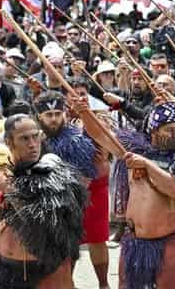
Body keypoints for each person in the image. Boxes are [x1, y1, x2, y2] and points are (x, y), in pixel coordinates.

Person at [0, 114, 87, 288]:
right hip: (5, 273)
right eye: (24, 139)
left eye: (35, 136)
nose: (32, 144)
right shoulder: (8, 172)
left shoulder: (53, 174)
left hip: (45, 275)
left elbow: (45, 224)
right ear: (9, 142)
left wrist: (8, 190)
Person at [115, 101, 175, 289]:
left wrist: (147, 165)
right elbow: (103, 137)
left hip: (170, 241)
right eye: (169, 129)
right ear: (154, 132)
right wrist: (84, 112)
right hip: (134, 239)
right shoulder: (137, 152)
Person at [34, 91, 110, 289]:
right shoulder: (34, 141)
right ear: (39, 117)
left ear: (65, 114)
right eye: (48, 115)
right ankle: (68, 283)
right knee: (66, 244)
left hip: (91, 193)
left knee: (97, 239)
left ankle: (103, 284)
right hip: (57, 200)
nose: (54, 119)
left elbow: (101, 143)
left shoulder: (79, 137)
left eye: (58, 113)